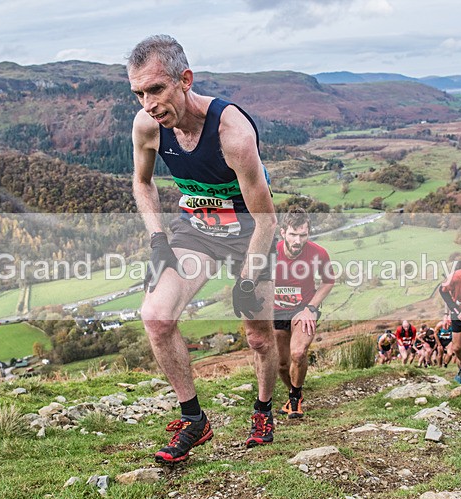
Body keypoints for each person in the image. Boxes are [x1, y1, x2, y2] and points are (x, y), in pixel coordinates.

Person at [128, 35, 278, 463]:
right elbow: (142, 182)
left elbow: (266, 218)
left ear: (185, 80)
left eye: (156, 89)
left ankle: (263, 410)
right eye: (139, 93)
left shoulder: (232, 132)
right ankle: (194, 419)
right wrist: (158, 240)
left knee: (259, 337)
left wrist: (248, 279)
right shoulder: (147, 126)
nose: (149, 103)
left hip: (251, 235)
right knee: (156, 317)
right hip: (198, 231)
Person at [273, 207, 335, 419]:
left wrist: (311, 307)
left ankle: (295, 398)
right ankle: (292, 390)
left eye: (303, 235)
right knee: (281, 363)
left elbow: (328, 281)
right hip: (276, 311)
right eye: (293, 234)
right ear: (283, 232)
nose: (298, 240)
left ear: (309, 233)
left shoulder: (318, 253)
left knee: (298, 353)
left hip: (304, 309)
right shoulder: (270, 252)